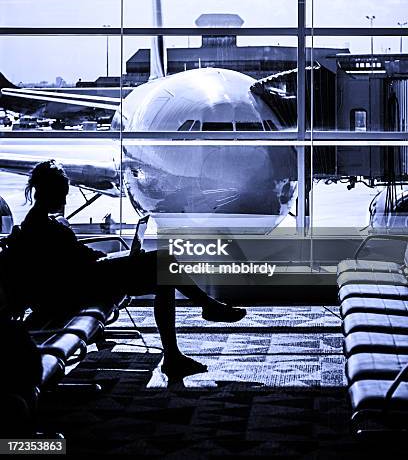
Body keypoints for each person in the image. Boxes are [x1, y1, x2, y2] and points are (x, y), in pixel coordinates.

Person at [3, 160, 246, 380]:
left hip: (82, 281)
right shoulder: (41, 226)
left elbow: (67, 260)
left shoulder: (40, 222)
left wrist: (102, 258)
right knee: (164, 264)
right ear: (49, 192)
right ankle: (200, 316)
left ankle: (181, 345)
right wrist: (102, 260)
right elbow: (68, 266)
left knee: (164, 270)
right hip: (76, 289)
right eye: (62, 194)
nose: (65, 200)